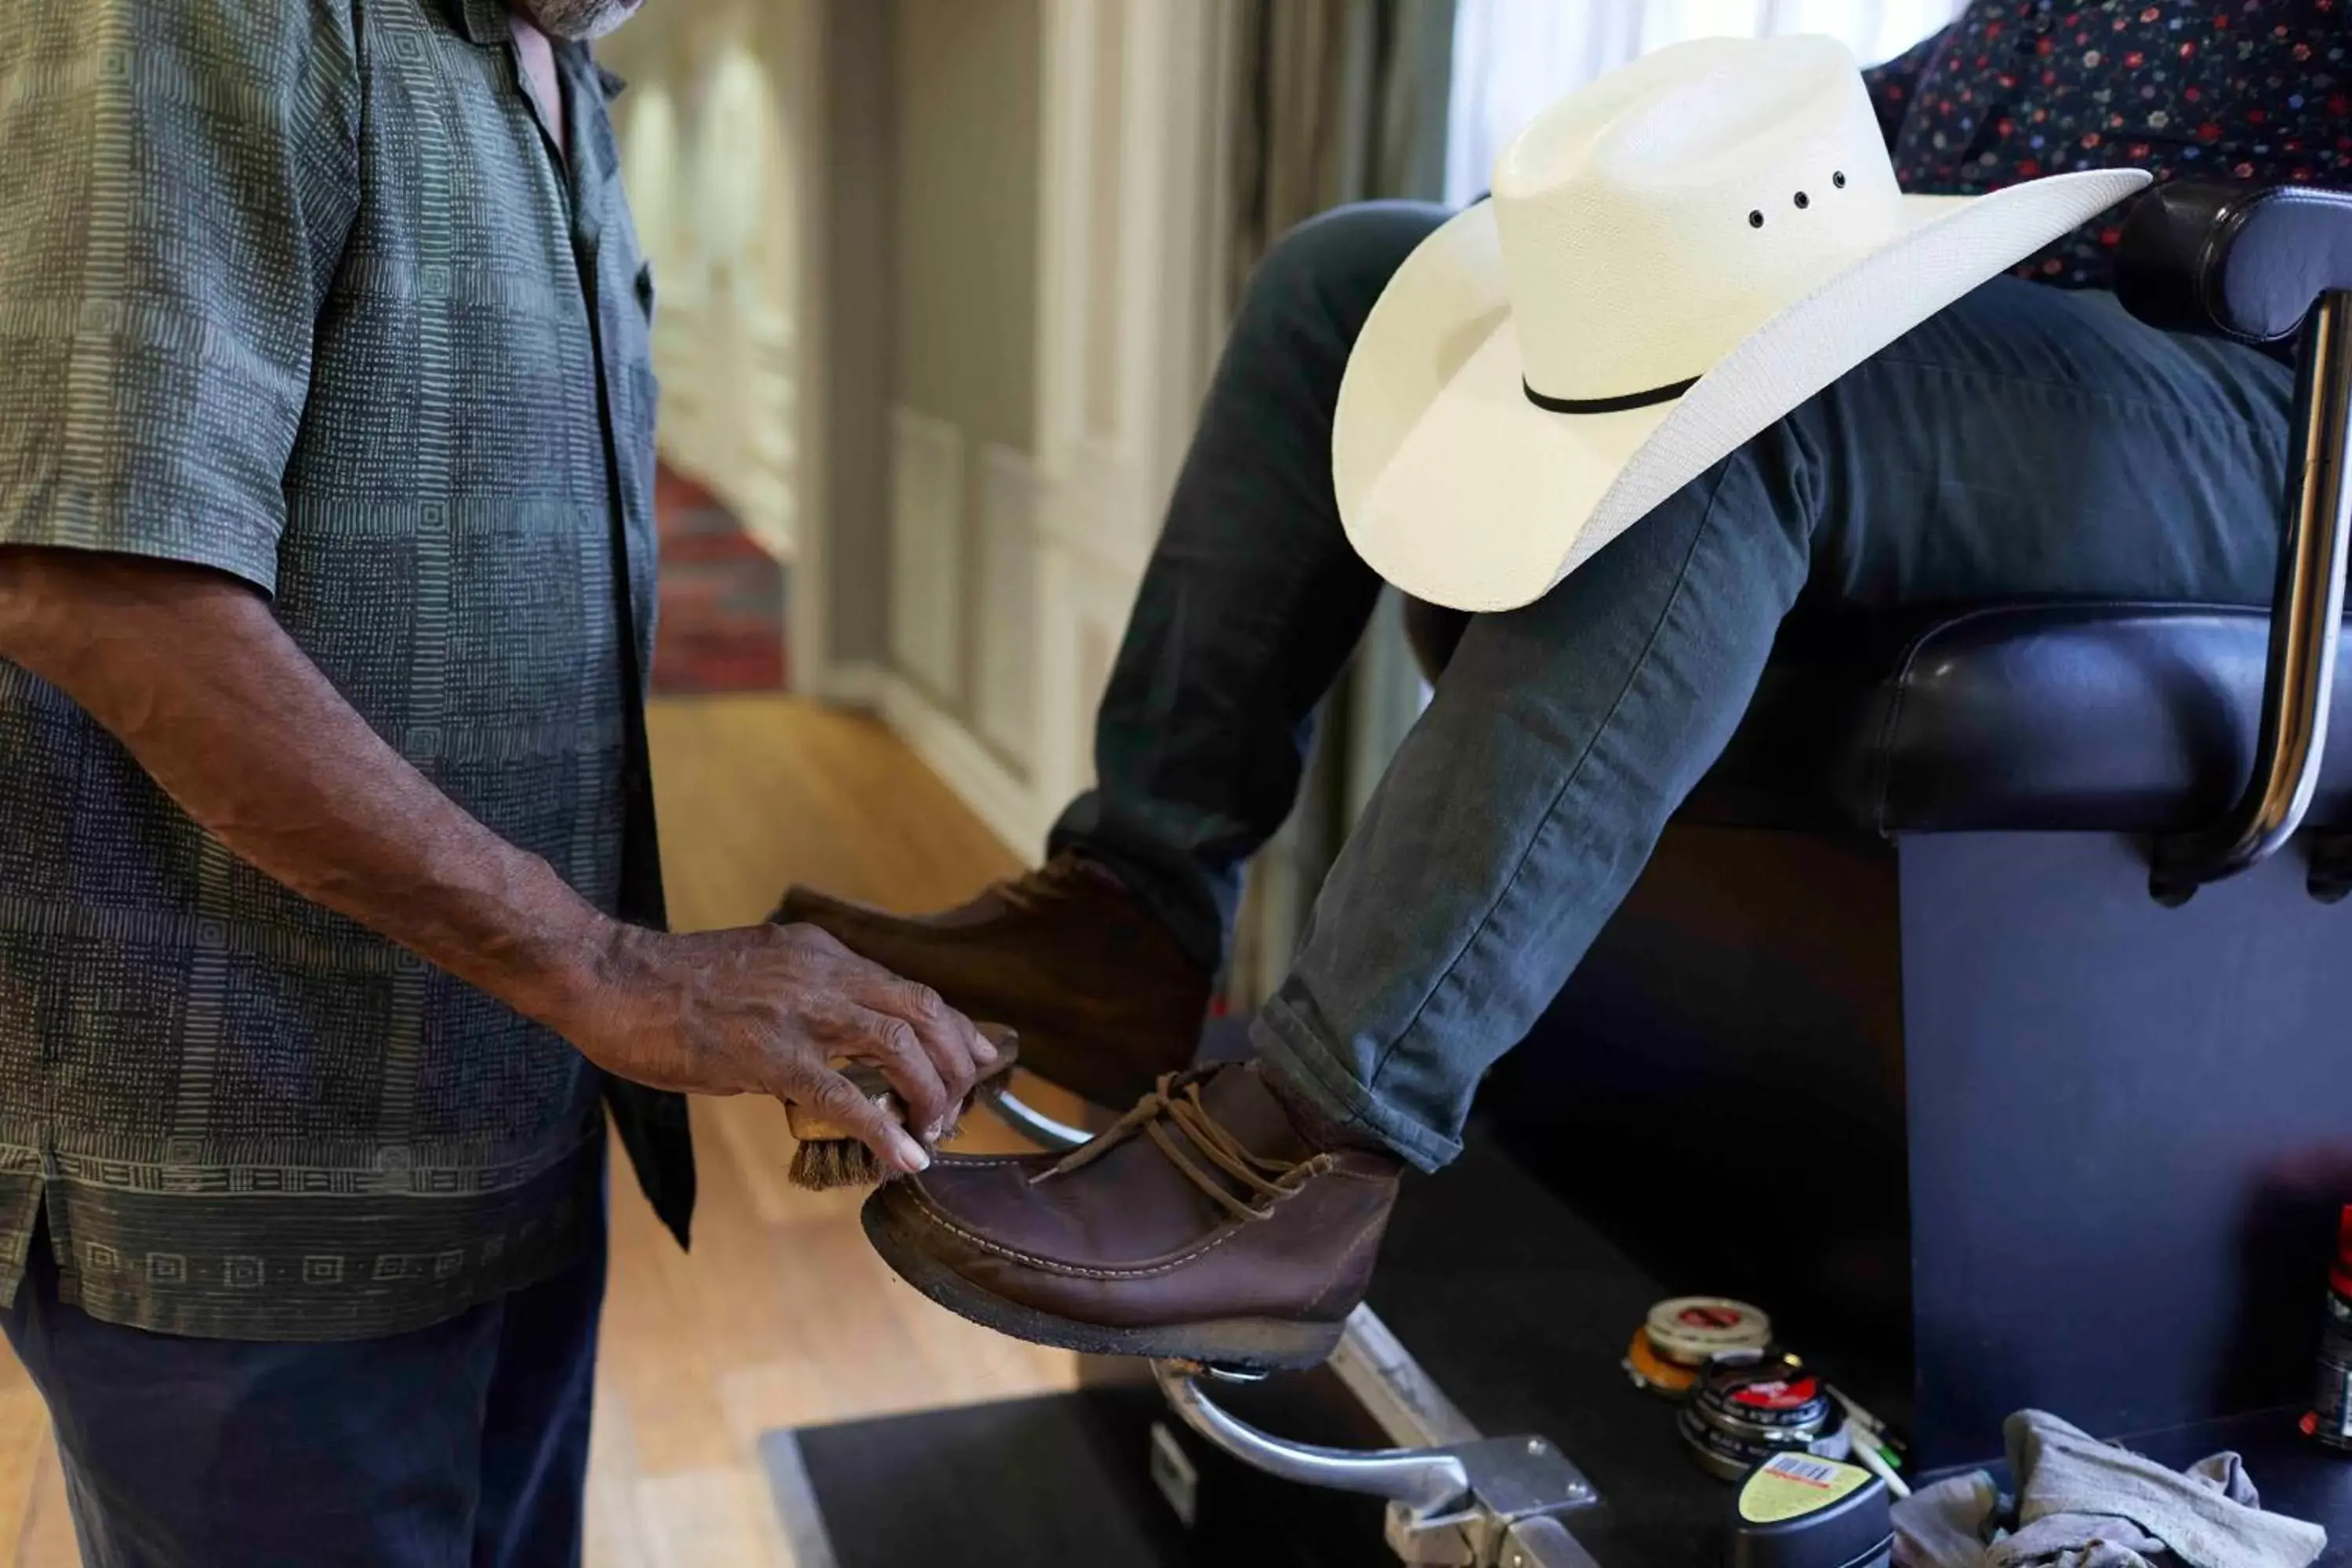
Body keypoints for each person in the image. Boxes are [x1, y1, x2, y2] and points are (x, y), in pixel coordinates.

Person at [789, 5, 2345, 1368]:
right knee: (1359, 285)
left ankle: (1311, 1152)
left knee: (1738, 400)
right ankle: (1135, 907)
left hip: (2268, 373)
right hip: (2001, 299)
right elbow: (1909, 123)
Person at [0, 2, 993, 1562]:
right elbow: (101, 584)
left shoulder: (543, 69)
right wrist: (606, 962)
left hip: (506, 1118)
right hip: (252, 1201)